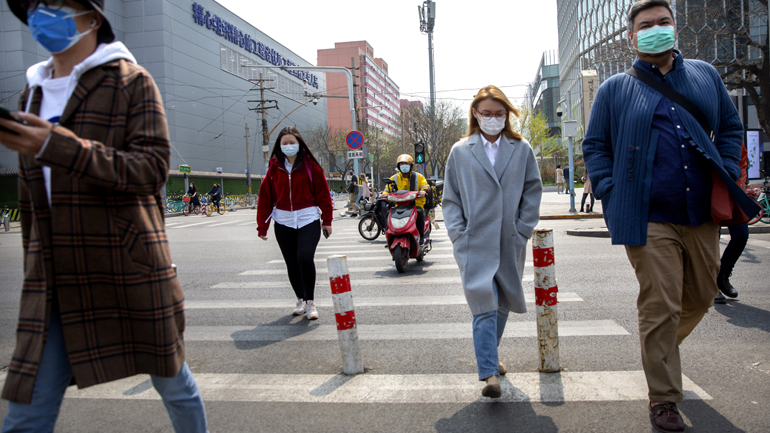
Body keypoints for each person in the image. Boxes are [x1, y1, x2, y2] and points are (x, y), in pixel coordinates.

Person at [0, 0, 208, 431]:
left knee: (173, 383)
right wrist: (33, 267)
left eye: (57, 5)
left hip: (125, 266)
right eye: (37, 6)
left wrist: (59, 145)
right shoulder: (31, 94)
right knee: (26, 413)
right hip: (55, 277)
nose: (43, 15)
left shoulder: (131, 82)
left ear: (92, 18)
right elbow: (30, 201)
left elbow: (151, 170)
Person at [582, 1, 758, 430]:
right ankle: (663, 398)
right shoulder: (613, 90)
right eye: (646, 25)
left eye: (663, 22)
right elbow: (596, 146)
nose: (656, 29)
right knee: (659, 302)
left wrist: (730, 169)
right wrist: (609, 188)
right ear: (631, 36)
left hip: (701, 211)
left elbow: (731, 128)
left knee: (700, 296)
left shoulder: (704, 74)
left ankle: (657, 351)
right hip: (647, 215)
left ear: (674, 27)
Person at [442, 85, 542, 398]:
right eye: (486, 113)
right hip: (474, 241)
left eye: (499, 114)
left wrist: (523, 228)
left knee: (502, 305)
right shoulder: (460, 151)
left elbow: (533, 190)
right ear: (475, 113)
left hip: (509, 239)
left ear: (507, 115)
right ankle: (489, 375)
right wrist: (459, 234)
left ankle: (490, 356)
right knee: (484, 305)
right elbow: (450, 199)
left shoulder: (521, 148)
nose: (493, 119)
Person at [257, 126, 333, 320]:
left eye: (292, 142)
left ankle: (310, 302)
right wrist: (262, 226)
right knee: (291, 263)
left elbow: (324, 195)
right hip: (283, 221)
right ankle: (300, 299)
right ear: (279, 146)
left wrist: (327, 220)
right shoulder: (274, 168)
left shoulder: (311, 166)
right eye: (285, 143)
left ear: (299, 144)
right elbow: (265, 198)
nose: (289, 146)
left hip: (308, 218)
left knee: (304, 258)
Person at [715, 143, 750, 304]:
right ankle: (712, 284)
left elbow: (742, 162)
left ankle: (723, 276)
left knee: (741, 235)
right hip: (711, 190)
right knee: (711, 240)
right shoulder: (706, 127)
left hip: (733, 191)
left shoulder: (733, 133)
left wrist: (739, 184)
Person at [382, 154, 431, 245]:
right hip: (399, 205)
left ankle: (421, 237)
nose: (404, 166)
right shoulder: (394, 178)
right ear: (398, 166)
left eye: (406, 164)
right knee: (387, 213)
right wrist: (384, 195)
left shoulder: (418, 177)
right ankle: (390, 236)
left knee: (420, 213)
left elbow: (426, 187)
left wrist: (424, 191)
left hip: (416, 205)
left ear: (411, 165)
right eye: (401, 164)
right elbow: (386, 190)